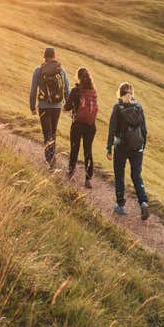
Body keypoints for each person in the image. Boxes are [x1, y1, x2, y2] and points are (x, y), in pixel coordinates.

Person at [105, 82, 149, 219]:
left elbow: (112, 129)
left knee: (119, 174)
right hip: (137, 147)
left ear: (120, 92)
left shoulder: (118, 107)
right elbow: (144, 130)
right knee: (136, 175)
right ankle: (143, 202)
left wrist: (109, 147)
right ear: (132, 93)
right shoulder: (138, 107)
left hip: (121, 146)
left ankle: (121, 205)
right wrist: (142, 147)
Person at [29, 47, 68, 169]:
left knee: (47, 133)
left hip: (44, 106)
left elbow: (33, 89)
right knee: (53, 131)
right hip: (57, 106)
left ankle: (50, 159)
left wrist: (32, 106)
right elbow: (67, 88)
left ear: (44, 56)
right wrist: (68, 105)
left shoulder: (38, 70)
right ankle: (52, 157)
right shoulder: (61, 70)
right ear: (54, 56)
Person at [63, 67, 98, 188]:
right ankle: (88, 179)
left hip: (77, 124)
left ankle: (71, 171)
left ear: (78, 77)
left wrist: (66, 108)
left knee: (75, 148)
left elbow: (67, 107)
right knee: (88, 151)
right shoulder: (93, 91)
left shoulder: (75, 90)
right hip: (90, 126)